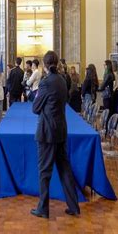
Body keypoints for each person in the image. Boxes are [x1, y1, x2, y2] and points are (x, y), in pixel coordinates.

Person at [30, 50, 80, 219]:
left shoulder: (45, 83)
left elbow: (35, 108)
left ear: (44, 65)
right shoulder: (61, 79)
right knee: (65, 168)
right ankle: (73, 206)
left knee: (44, 171)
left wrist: (42, 104)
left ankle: (43, 208)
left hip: (47, 132)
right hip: (61, 130)